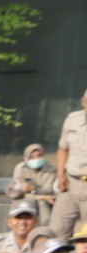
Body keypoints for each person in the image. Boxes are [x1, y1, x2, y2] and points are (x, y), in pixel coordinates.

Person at [56, 88, 87, 242]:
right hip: (70, 183)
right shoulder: (72, 119)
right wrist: (60, 175)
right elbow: (63, 148)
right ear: (83, 102)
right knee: (57, 231)